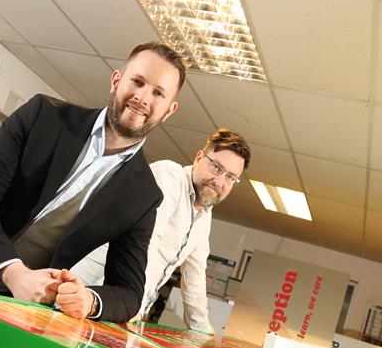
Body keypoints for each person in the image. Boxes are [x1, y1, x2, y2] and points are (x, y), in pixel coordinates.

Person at [0, 41, 184, 323]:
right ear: (116, 81)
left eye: (158, 93)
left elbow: (129, 292)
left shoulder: (145, 195)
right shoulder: (42, 115)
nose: (143, 98)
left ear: (169, 109)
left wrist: (89, 300)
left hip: (8, 310)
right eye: (137, 82)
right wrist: (13, 271)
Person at [71, 128, 250, 334]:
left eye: (230, 177)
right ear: (199, 157)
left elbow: (195, 277)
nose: (219, 181)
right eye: (216, 167)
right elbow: (147, 244)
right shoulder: (169, 176)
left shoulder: (203, 217)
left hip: (120, 308)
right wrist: (132, 306)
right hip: (91, 290)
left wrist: (203, 330)